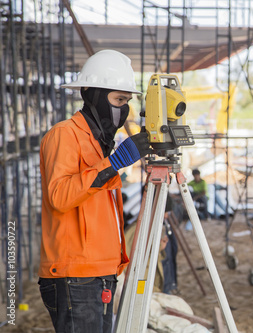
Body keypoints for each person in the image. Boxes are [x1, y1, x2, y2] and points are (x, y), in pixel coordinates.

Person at [38, 49, 151, 333]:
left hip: (100, 273)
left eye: (126, 102)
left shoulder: (99, 143)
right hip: (75, 276)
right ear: (93, 95)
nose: (123, 110)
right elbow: (60, 196)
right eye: (118, 100)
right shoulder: (64, 134)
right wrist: (112, 165)